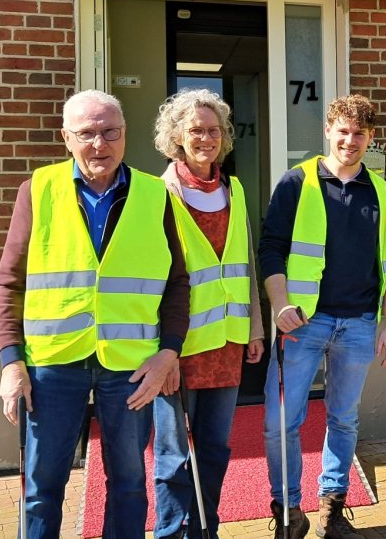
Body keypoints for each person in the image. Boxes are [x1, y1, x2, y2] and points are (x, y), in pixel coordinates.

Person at [0, 90, 189, 539]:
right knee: (43, 487)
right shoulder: (37, 190)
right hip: (52, 364)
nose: (99, 144)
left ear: (124, 135)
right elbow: (10, 282)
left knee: (128, 484)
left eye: (110, 132)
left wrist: (168, 354)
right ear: (66, 137)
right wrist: (11, 362)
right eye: (86, 134)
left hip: (129, 366)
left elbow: (177, 282)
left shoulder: (155, 195)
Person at [258, 94, 386, 539]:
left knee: (344, 418)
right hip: (303, 323)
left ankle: (332, 509)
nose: (350, 141)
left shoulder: (381, 190)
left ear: (370, 138)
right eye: (343, 131)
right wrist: (280, 304)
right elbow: (271, 249)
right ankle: (288, 511)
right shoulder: (296, 183)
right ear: (327, 131)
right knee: (281, 420)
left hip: (359, 322)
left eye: (359, 134)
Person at [151, 89, 266, 539]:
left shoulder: (233, 189)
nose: (206, 138)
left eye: (213, 130)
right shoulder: (159, 192)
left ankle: (206, 529)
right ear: (177, 136)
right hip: (178, 349)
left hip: (227, 344)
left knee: (215, 449)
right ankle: (172, 533)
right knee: (172, 455)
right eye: (196, 129)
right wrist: (164, 349)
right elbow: (154, 276)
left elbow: (247, 264)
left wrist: (255, 330)